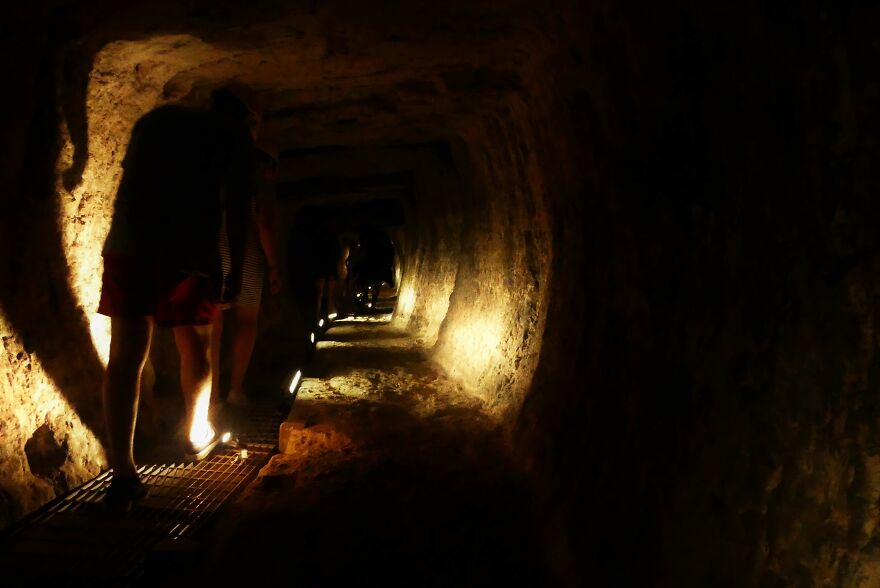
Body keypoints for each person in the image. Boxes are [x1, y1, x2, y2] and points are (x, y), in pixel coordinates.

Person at [99, 86, 255, 508]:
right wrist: (234, 271)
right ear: (243, 117)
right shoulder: (233, 138)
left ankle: (123, 473)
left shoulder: (154, 120)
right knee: (195, 345)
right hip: (188, 255)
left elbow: (125, 188)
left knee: (125, 356)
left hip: (129, 248)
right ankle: (196, 433)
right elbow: (237, 211)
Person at [211, 143, 282, 410]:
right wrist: (274, 265)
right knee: (246, 321)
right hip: (247, 252)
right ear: (268, 165)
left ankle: (212, 396)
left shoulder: (218, 177)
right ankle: (235, 390)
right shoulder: (259, 185)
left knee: (213, 327)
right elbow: (263, 223)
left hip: (216, 251)